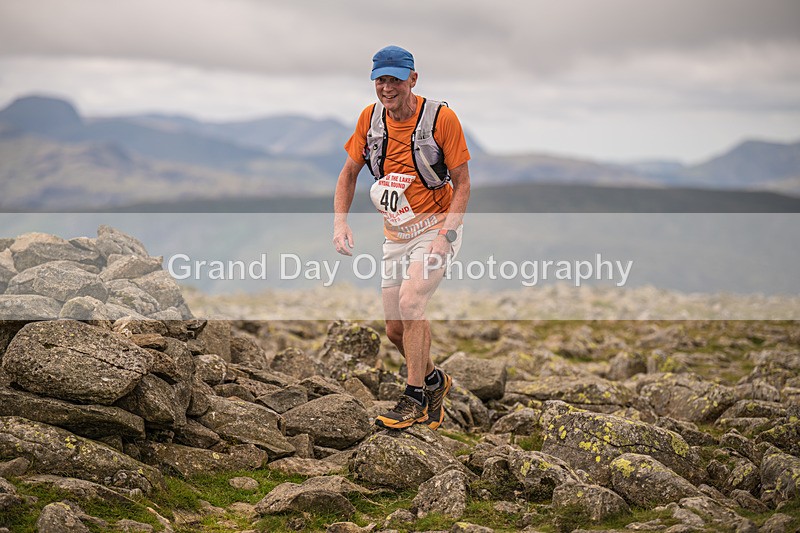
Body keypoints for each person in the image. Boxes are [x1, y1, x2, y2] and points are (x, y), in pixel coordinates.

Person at [333, 45, 471, 430]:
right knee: (395, 329)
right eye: (381, 80)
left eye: (395, 78)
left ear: (413, 78)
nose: (387, 87)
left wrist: (447, 234)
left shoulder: (442, 119)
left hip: (436, 227)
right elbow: (348, 174)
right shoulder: (370, 119)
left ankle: (413, 400)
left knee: (412, 303)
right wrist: (340, 223)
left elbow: (462, 184)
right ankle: (434, 381)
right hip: (395, 234)